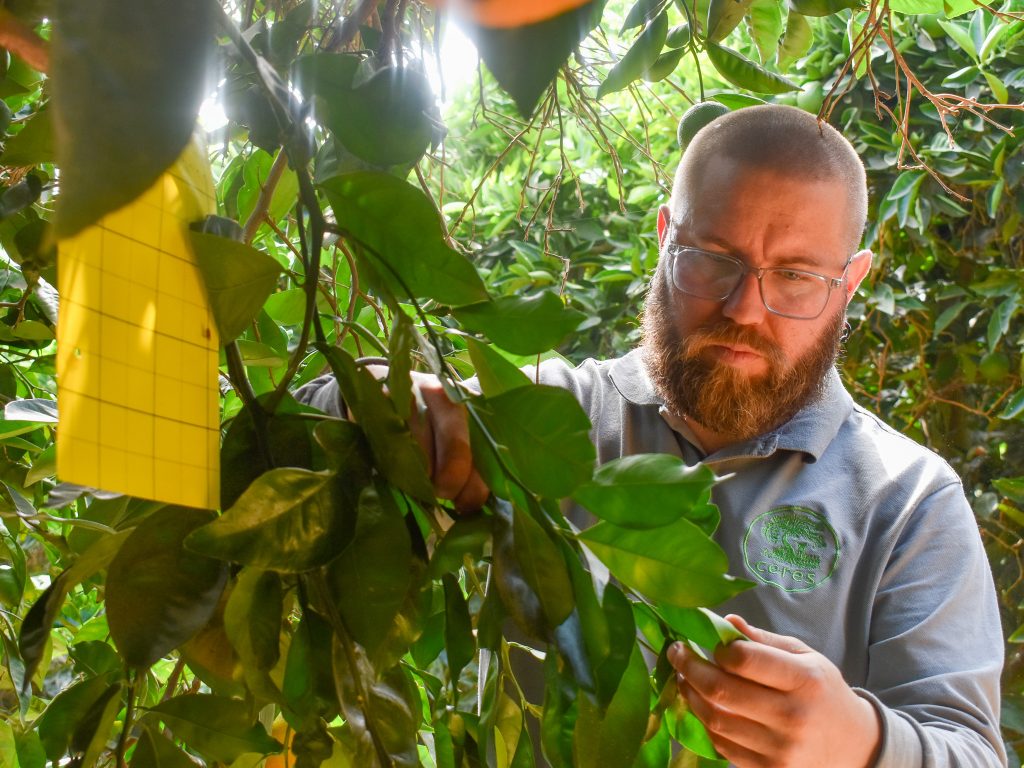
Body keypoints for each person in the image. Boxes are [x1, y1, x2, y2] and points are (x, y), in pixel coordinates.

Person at [296, 104, 1005, 767]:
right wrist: (385, 405)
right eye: (714, 258)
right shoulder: (546, 413)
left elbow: (971, 750)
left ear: (849, 282)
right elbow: (294, 433)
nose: (744, 309)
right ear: (666, 236)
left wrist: (860, 741)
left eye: (795, 276)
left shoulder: (907, 500)